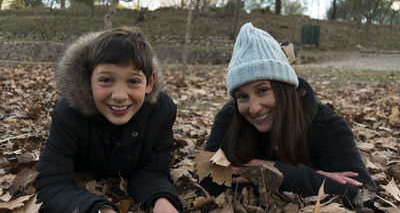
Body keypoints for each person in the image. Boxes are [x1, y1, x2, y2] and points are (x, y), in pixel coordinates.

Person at [201, 23, 375, 208]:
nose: (253, 108)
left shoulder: (326, 125)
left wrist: (276, 171)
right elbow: (207, 181)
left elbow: (364, 196)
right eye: (242, 96)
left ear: (285, 88)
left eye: (262, 90)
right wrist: (316, 177)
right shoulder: (230, 117)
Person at [34, 27, 182, 213]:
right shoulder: (68, 115)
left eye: (133, 81)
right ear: (88, 80)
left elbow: (152, 170)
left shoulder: (161, 112)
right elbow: (52, 181)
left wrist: (162, 201)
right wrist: (99, 209)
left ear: (149, 83)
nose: (120, 96)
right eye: (106, 80)